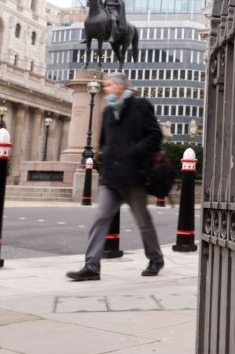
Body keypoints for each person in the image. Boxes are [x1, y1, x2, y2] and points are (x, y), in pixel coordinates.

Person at [67, 72, 165, 280]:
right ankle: (91, 266)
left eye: (109, 85)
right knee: (100, 219)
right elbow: (104, 142)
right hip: (111, 178)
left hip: (134, 176)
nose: (106, 89)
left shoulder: (141, 106)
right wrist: (106, 159)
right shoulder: (108, 112)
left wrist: (134, 152)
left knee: (143, 221)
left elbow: (155, 134)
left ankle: (155, 259)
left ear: (120, 87)